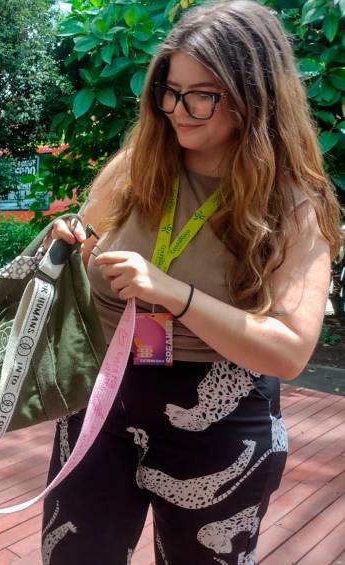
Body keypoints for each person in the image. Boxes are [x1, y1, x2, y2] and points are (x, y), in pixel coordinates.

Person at [42, 2, 342, 564]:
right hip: (101, 399)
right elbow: (87, 237)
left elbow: (291, 351)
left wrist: (172, 294)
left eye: (202, 93)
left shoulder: (295, 206)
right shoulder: (136, 167)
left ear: (257, 96)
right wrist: (69, 241)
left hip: (218, 416)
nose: (178, 110)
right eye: (169, 90)